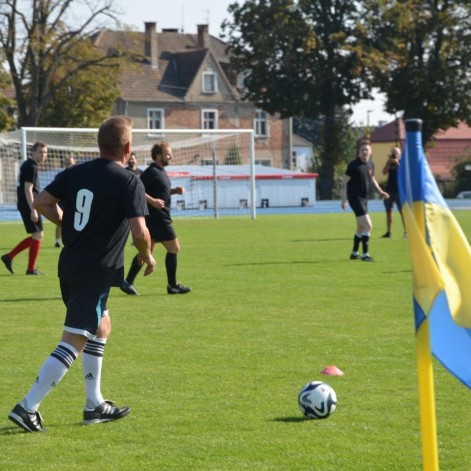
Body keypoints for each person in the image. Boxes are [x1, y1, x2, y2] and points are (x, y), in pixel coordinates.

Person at [8, 116, 156, 433]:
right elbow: (140, 232)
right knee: (74, 339)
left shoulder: (76, 172)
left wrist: (64, 220)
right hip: (96, 269)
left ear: (98, 144)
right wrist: (146, 256)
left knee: (101, 325)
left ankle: (94, 404)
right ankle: (28, 406)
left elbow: (41, 201)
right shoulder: (129, 180)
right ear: (128, 148)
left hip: (70, 265)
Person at [121, 141, 191, 296]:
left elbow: (160, 193)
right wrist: (152, 202)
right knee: (174, 248)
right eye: (168, 154)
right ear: (158, 156)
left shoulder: (161, 171)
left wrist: (174, 191)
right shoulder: (151, 172)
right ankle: (172, 286)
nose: (171, 156)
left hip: (157, 217)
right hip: (158, 218)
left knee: (146, 251)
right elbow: (136, 190)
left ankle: (127, 282)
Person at [1, 141, 48, 275]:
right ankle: (30, 268)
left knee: (37, 235)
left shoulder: (29, 165)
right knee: (38, 235)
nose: (43, 154)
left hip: (27, 204)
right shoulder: (31, 166)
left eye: (45, 152)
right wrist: (33, 209)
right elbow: (28, 189)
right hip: (29, 204)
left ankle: (10, 257)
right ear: (33, 152)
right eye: (41, 152)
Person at [341, 139, 389, 262]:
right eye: (362, 150)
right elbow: (344, 182)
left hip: (364, 199)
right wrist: (344, 200)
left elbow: (372, 179)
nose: (364, 151)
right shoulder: (353, 165)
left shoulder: (371, 164)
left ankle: (354, 253)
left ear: (370, 151)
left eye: (366, 149)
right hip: (355, 199)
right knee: (368, 225)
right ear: (359, 152)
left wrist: (380, 191)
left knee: (361, 228)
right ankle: (365, 255)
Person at [381, 146, 406, 238]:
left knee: (402, 211)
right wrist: (388, 162)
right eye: (393, 153)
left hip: (399, 191)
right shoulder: (389, 163)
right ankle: (388, 232)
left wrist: (398, 163)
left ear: (400, 155)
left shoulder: (402, 163)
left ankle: (406, 232)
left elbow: (404, 174)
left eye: (396, 153)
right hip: (389, 190)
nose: (394, 155)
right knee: (388, 211)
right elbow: (384, 172)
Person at [54, 155, 76, 247]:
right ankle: (57, 241)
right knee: (60, 222)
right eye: (67, 163)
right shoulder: (60, 176)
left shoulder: (78, 175)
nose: (69, 165)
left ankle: (72, 239)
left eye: (71, 163)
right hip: (62, 203)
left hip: (74, 202)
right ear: (64, 164)